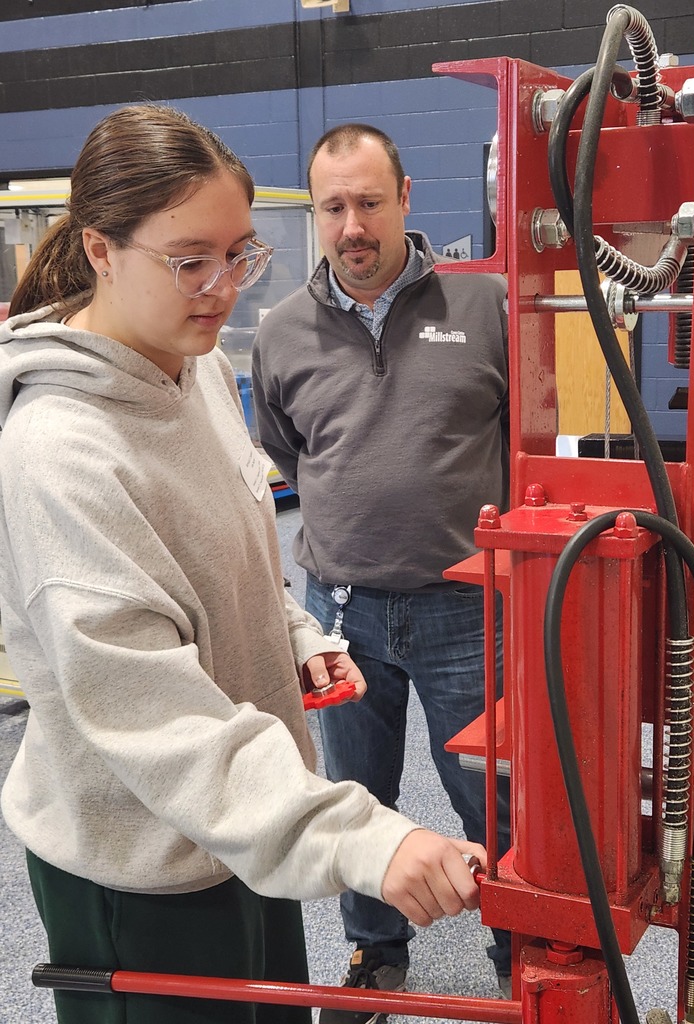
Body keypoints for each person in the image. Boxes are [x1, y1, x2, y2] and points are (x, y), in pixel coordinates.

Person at [0, 105, 486, 1024]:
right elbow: (156, 718)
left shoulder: (200, 371)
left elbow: (234, 554)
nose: (223, 286)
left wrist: (292, 632)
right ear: (101, 250)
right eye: (190, 259)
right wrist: (361, 836)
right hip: (145, 869)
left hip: (246, 831)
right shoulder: (60, 453)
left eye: (241, 253)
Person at [251, 123, 512, 1023]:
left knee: (494, 790)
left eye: (369, 201)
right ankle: (374, 951)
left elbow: (528, 445)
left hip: (467, 609)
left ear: (407, 197)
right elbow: (285, 452)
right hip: (341, 611)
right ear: (316, 215)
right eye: (334, 207)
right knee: (355, 797)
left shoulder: (487, 306)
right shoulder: (282, 332)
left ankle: (521, 944)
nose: (353, 224)